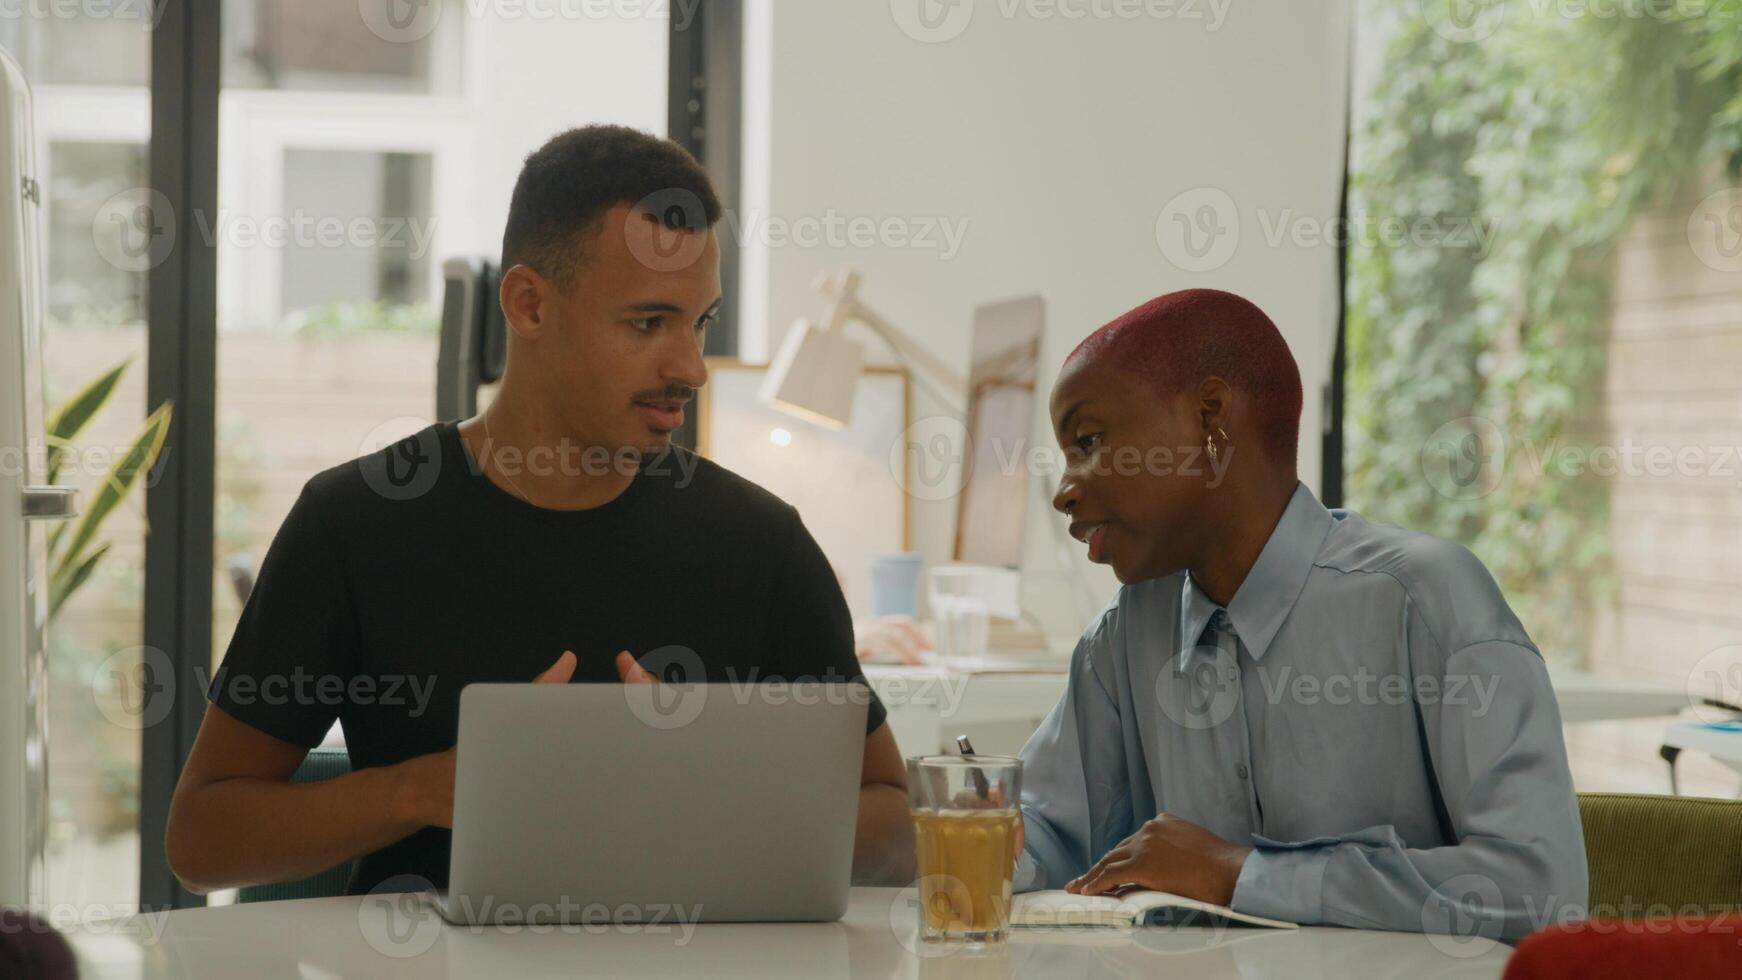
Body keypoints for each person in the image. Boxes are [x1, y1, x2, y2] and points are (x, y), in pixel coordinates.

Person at [166, 125, 913, 895]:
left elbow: (897, 829)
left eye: (701, 322)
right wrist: (431, 789)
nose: (689, 366)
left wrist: (717, 787)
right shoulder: (354, 524)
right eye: (647, 323)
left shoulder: (761, 545)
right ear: (528, 304)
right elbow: (203, 840)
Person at [1016, 288, 1587, 942]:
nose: (1064, 492)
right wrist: (985, 836)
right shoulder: (1124, 637)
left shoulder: (1426, 600)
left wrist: (1238, 874)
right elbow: (1050, 830)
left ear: (1210, 417)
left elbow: (1541, 891)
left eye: (1088, 441)